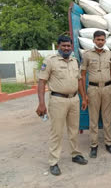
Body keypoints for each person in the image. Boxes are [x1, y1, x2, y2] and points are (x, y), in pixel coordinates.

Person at [36, 36, 88, 176]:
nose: (66, 48)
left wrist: (83, 98)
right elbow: (41, 82)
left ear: (71, 47)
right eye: (63, 45)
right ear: (58, 46)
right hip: (58, 100)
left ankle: (75, 154)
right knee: (56, 132)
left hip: (74, 99)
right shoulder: (50, 61)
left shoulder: (74, 61)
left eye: (68, 46)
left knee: (74, 130)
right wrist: (41, 103)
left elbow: (79, 81)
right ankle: (53, 162)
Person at [81, 31, 111, 158]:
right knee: (93, 119)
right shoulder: (87, 55)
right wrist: (84, 94)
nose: (100, 42)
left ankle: (109, 143)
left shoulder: (110, 54)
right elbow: (83, 74)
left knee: (107, 118)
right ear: (93, 40)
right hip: (93, 89)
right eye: (98, 39)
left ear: (105, 41)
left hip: (107, 88)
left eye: (102, 40)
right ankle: (94, 145)